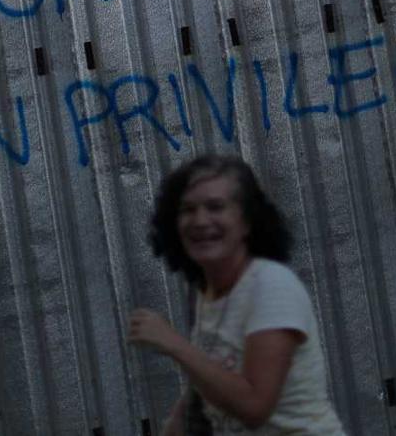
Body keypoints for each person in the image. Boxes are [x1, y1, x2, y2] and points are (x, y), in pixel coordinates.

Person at [128, 154, 347, 435]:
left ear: (247, 221)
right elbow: (207, 382)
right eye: (187, 209)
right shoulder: (208, 291)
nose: (201, 220)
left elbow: (255, 407)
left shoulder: (270, 286)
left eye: (216, 207)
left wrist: (174, 345)